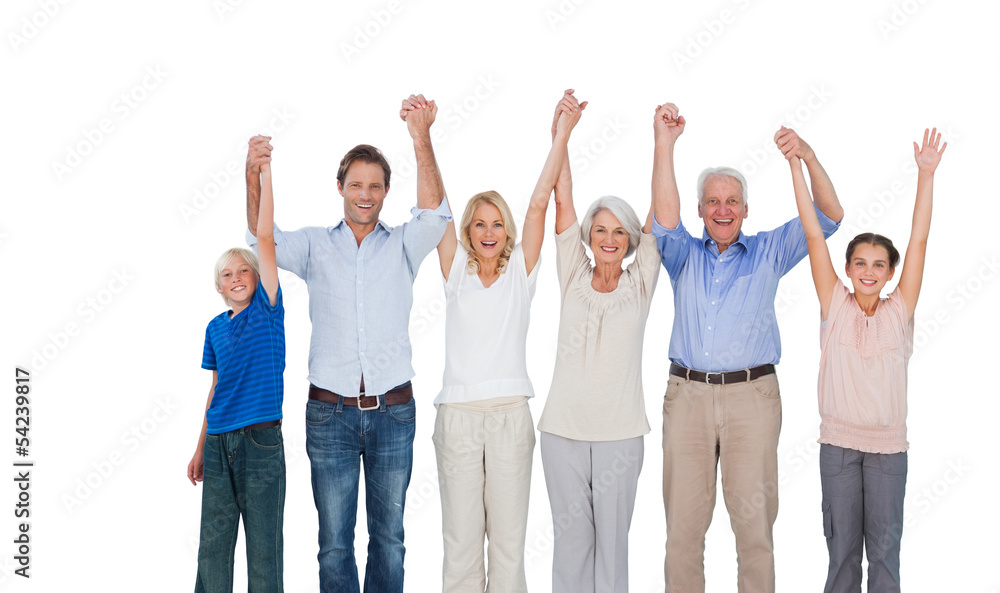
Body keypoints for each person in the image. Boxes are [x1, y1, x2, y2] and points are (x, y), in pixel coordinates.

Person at [244, 94, 450, 593]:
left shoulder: (403, 244)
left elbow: (436, 215)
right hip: (329, 413)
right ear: (340, 187)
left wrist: (420, 137)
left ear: (384, 193)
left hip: (393, 413)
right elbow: (259, 239)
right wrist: (253, 177)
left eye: (374, 187)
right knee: (334, 543)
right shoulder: (315, 244)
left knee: (390, 540)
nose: (364, 194)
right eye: (355, 185)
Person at [650, 103, 845, 593]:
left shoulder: (769, 250)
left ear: (745, 208)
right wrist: (665, 143)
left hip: (752, 399)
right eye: (712, 201)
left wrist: (805, 155)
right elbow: (664, 219)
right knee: (682, 535)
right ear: (700, 210)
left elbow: (831, 216)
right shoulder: (682, 255)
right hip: (688, 397)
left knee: (754, 533)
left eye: (731, 200)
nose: (722, 209)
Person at [419, 90, 583, 593]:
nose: (488, 231)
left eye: (497, 223)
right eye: (479, 223)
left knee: (509, 550)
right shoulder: (455, 273)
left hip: (511, 415)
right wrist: (421, 136)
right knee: (462, 550)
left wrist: (562, 134)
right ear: (468, 229)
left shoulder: (520, 273)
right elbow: (435, 208)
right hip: (460, 420)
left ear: (505, 230)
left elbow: (540, 203)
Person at [787, 128, 945, 592]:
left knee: (884, 556)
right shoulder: (834, 304)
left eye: (879, 265)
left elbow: (918, 241)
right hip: (837, 448)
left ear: (890, 272)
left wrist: (926, 176)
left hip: (888, 451)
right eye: (860, 263)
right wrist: (796, 165)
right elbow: (814, 234)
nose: (869, 272)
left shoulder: (899, 311)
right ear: (849, 268)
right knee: (841, 557)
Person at [536, 91, 659, 593]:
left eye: (619, 231)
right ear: (589, 235)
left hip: (620, 435)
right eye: (600, 229)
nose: (609, 238)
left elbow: (663, 213)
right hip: (562, 430)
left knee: (613, 548)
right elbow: (562, 197)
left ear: (631, 238)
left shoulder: (641, 280)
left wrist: (662, 143)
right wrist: (563, 130)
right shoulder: (572, 272)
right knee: (571, 547)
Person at [189, 159, 285, 593]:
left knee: (263, 547)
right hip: (217, 442)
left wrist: (263, 176)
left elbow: (264, 237)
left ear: (258, 276)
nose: (236, 278)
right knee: (213, 545)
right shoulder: (214, 327)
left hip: (260, 439)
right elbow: (214, 390)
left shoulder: (268, 309)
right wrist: (198, 448)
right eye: (227, 275)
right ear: (219, 287)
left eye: (243, 270)